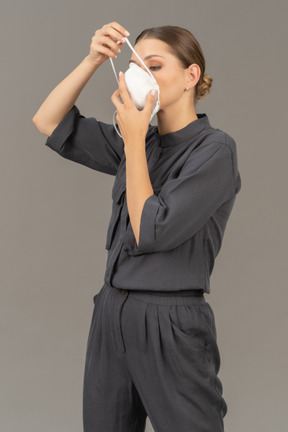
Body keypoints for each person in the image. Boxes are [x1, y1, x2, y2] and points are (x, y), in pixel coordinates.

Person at [32, 21, 241, 432]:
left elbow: (153, 230)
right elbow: (48, 121)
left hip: (170, 322)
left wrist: (131, 140)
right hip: (113, 311)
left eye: (155, 66)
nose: (139, 76)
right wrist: (93, 60)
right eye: (133, 66)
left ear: (191, 76)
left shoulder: (215, 150)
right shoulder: (142, 143)